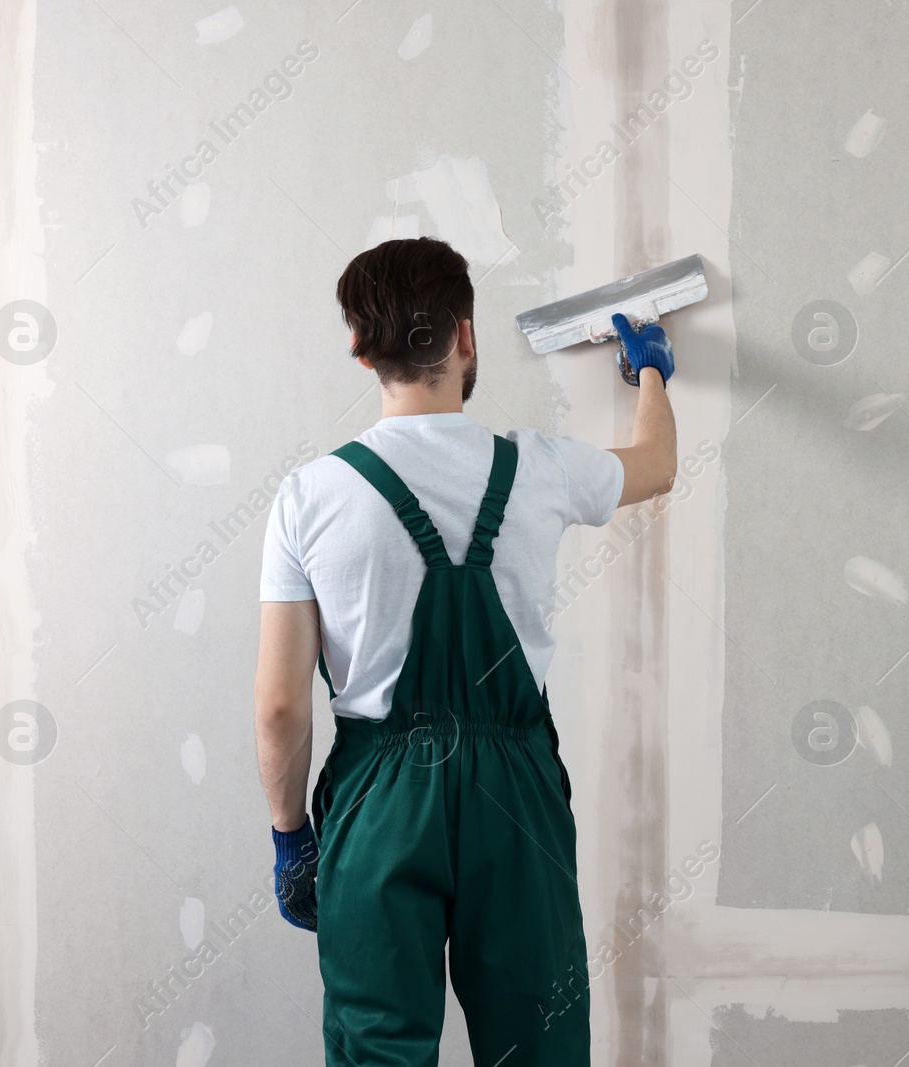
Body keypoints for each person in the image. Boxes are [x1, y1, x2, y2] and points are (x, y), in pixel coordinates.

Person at [253, 236, 677, 1067]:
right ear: (465, 335)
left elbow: (278, 706)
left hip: (378, 802)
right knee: (538, 1044)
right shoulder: (541, 468)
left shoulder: (311, 496)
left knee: (379, 1048)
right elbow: (657, 466)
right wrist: (651, 368)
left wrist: (291, 834)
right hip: (513, 795)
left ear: (359, 347)